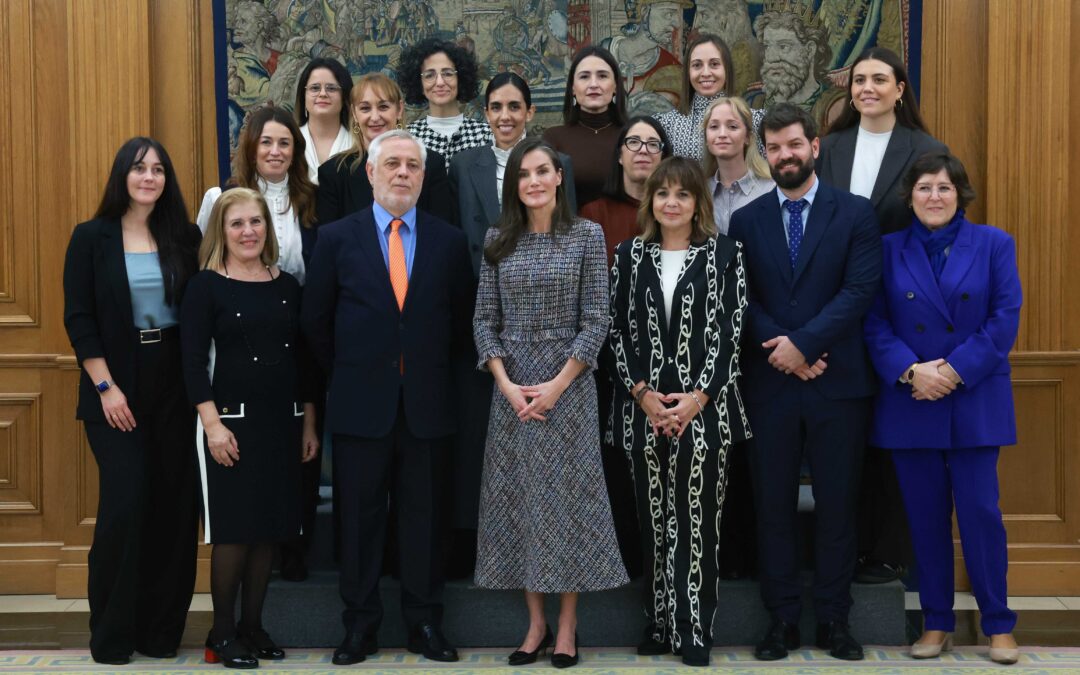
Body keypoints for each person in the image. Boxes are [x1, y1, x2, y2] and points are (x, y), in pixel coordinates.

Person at [302, 130, 474, 666]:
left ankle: (425, 623)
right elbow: (316, 323)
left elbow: (460, 325)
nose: (403, 173)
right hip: (360, 405)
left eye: (413, 166)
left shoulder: (448, 241)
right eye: (392, 164)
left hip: (428, 407)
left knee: (425, 522)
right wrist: (354, 373)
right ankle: (360, 627)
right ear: (371, 174)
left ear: (424, 177)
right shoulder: (334, 239)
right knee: (358, 522)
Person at [728, 104, 882, 662]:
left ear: (815, 146)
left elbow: (859, 291)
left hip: (837, 383)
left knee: (838, 505)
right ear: (763, 155)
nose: (785, 154)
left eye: (794, 144)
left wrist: (807, 346)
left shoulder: (856, 214)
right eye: (774, 148)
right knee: (772, 506)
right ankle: (782, 621)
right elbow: (741, 300)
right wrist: (786, 353)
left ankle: (835, 621)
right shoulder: (745, 222)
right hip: (770, 384)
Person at [474, 138, 628, 668]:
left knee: (567, 506)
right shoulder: (498, 239)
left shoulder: (586, 234)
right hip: (512, 392)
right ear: (514, 184)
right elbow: (482, 321)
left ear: (559, 177)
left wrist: (559, 384)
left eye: (543, 171)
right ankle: (534, 624)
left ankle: (567, 626)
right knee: (521, 504)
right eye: (524, 174)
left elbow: (597, 320)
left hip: (570, 388)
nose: (534, 181)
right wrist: (507, 384)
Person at [863, 152, 1022, 665]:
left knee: (981, 515)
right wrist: (914, 372)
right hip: (913, 399)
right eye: (925, 188)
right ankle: (936, 623)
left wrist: (952, 371)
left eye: (945, 188)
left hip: (973, 397)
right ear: (909, 197)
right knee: (924, 520)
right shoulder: (887, 250)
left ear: (961, 195)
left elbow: (1004, 317)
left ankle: (998, 625)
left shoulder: (995, 244)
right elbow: (874, 324)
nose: (935, 196)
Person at [62, 138, 200, 665]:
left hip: (175, 381)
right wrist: (105, 387)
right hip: (114, 382)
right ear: (122, 174)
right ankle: (113, 634)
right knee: (126, 502)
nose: (149, 177)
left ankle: (161, 632)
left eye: (159, 169)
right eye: (140, 168)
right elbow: (79, 318)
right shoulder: (90, 238)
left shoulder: (183, 237)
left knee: (173, 505)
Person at [608, 157, 749, 666]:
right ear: (651, 202)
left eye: (682, 195)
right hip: (643, 412)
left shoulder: (725, 255)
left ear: (698, 203)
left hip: (706, 414)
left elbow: (731, 334)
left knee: (697, 522)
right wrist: (643, 394)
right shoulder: (628, 255)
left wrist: (695, 399)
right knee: (654, 522)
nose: (671, 202)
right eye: (662, 193)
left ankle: (694, 628)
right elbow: (617, 332)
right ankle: (659, 621)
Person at [818, 47, 948, 585]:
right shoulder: (830, 149)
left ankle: (889, 553)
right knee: (849, 436)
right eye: (859, 80)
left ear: (900, 88)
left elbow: (941, 230)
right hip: (839, 310)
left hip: (904, 310)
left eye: (879, 79)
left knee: (896, 434)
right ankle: (843, 552)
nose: (867, 88)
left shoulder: (927, 149)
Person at [181, 188, 319, 668]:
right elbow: (193, 363)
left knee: (269, 530)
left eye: (256, 222)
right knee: (235, 532)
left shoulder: (288, 285)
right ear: (221, 230)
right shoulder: (204, 286)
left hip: (282, 422)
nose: (247, 232)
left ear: (268, 229)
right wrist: (212, 425)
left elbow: (303, 362)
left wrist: (309, 423)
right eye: (237, 223)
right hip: (229, 426)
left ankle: (253, 627)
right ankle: (221, 634)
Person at [450, 72, 578, 276]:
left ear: (529, 112)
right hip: (478, 283)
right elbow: (456, 236)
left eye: (514, 106)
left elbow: (566, 231)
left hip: (542, 281)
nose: (505, 116)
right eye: (496, 107)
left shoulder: (560, 163)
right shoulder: (463, 165)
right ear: (487, 113)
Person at [196, 106, 316, 287]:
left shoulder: (315, 200)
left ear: (294, 152)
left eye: (284, 143)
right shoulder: (219, 198)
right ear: (252, 150)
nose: (275, 151)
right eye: (266, 142)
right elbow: (204, 261)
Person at [317, 73, 456, 226]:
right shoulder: (333, 173)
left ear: (399, 110)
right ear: (355, 114)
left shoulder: (431, 164)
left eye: (383, 107)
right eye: (365, 108)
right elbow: (330, 243)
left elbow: (442, 234)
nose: (375, 117)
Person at [543, 46, 629, 206]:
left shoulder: (632, 137)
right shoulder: (553, 138)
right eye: (584, 77)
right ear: (573, 88)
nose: (594, 84)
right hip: (568, 229)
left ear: (616, 86)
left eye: (602, 76)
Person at [580, 116, 673, 263]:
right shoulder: (594, 214)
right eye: (633, 142)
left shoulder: (675, 211)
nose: (643, 150)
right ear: (620, 156)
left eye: (653, 144)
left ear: (664, 157)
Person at [654, 34, 761, 160]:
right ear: (688, 72)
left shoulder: (753, 121)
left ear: (727, 69)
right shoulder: (667, 125)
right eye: (697, 65)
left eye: (714, 64)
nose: (705, 73)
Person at [399, 37, 492, 161]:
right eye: (429, 75)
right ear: (419, 83)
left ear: (460, 79)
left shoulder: (486, 135)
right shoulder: (407, 138)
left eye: (448, 73)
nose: (440, 82)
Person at [703, 96, 774, 235]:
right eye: (714, 127)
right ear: (706, 138)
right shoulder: (699, 191)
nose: (722, 134)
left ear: (747, 137)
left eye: (732, 126)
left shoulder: (771, 189)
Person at [293, 57, 353, 184]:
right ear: (303, 96)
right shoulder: (290, 141)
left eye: (331, 88)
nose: (323, 94)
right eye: (315, 88)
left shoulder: (358, 144)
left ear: (344, 96)